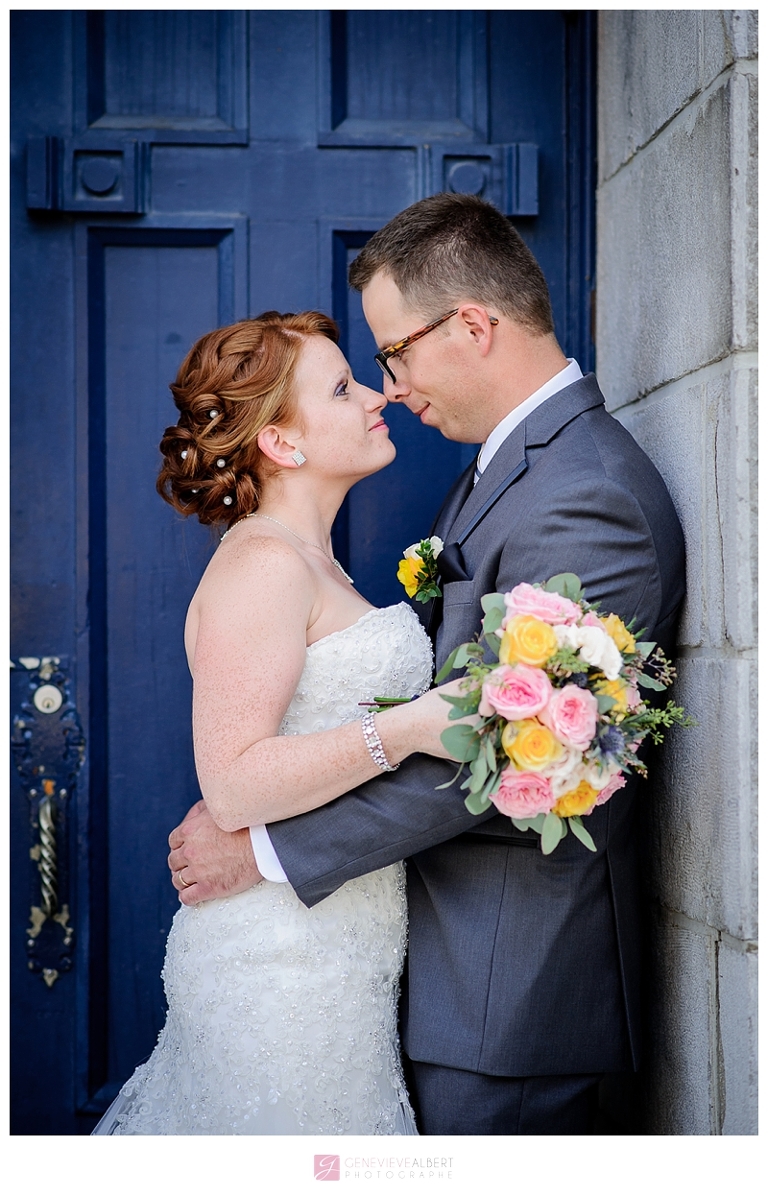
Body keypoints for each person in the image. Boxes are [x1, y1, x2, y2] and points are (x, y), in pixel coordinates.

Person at [169, 194, 687, 1135]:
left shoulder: (586, 496)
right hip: (432, 977)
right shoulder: (492, 477)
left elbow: (513, 748)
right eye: (358, 378)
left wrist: (269, 852)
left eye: (393, 353)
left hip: (511, 988)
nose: (389, 387)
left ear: (475, 325)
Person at [93, 309, 466, 1135]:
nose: (376, 396)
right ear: (283, 445)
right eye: (342, 387)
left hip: (336, 952)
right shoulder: (263, 563)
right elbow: (230, 785)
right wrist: (402, 730)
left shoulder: (312, 560)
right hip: (277, 969)